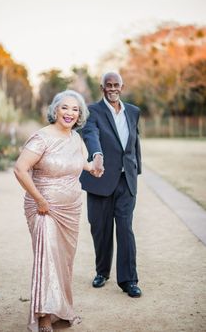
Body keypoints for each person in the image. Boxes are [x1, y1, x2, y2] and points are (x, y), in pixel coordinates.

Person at [14, 90, 97, 332]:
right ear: (55, 110)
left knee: (63, 262)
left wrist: (92, 168)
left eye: (75, 109)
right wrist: (39, 199)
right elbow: (20, 169)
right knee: (47, 259)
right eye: (65, 108)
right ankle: (43, 317)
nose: (70, 113)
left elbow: (79, 162)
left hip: (71, 210)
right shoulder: (41, 138)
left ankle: (62, 309)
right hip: (44, 209)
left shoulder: (75, 138)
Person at [80, 72, 142, 298]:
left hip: (127, 181)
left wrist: (137, 170)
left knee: (125, 229)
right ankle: (102, 272)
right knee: (101, 229)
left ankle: (129, 280)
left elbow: (135, 142)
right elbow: (90, 134)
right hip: (100, 178)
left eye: (116, 85)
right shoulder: (92, 111)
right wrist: (96, 154)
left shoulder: (133, 111)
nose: (113, 88)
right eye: (109, 85)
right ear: (102, 87)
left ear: (122, 87)